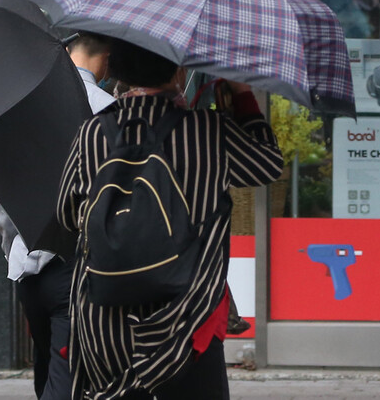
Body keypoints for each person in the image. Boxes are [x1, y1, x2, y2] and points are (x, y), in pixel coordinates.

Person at [56, 39, 283, 399]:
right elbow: (266, 164)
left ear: (116, 70)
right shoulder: (207, 131)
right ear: (179, 72)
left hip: (104, 317)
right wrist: (241, 94)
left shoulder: (92, 133)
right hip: (187, 315)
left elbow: (67, 215)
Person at [0, 32, 115, 400]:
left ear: (64, 50)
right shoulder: (108, 110)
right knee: (69, 377)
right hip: (79, 264)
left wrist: (12, 247)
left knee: (47, 369)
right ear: (106, 58)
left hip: (27, 262)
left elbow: (3, 198)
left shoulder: (25, 104)